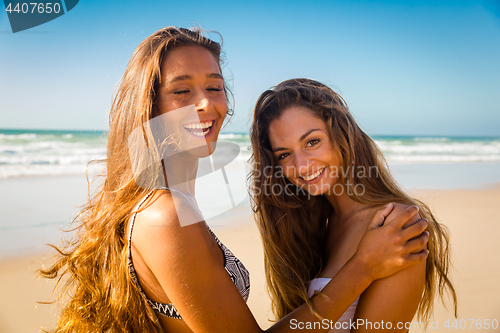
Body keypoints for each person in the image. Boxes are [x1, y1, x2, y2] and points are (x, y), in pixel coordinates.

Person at [39, 27, 430, 333]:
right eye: (181, 90)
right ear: (150, 104)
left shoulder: (172, 204)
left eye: (214, 87)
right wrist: (362, 267)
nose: (206, 104)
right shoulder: (165, 214)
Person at [249, 78, 458, 332]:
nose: (302, 166)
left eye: (312, 142)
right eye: (284, 154)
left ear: (341, 135)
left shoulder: (394, 223)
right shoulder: (317, 226)